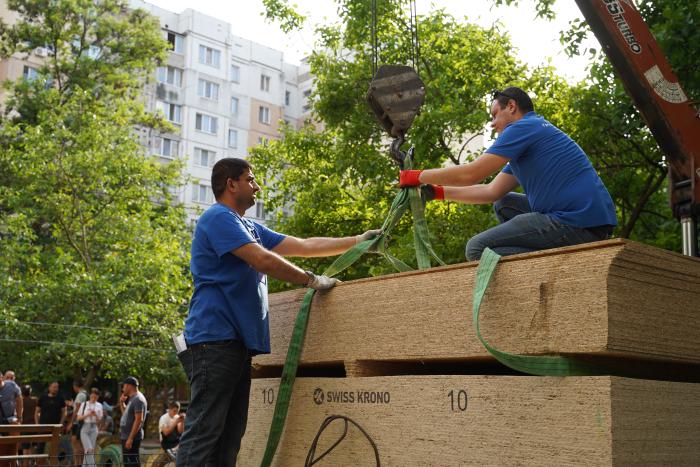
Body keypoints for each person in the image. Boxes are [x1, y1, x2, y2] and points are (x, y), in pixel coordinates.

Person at [176, 157, 381, 467]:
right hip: (213, 342)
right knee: (204, 433)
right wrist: (311, 280)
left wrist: (358, 242)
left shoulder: (249, 227)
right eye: (250, 179)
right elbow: (263, 260)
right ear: (231, 184)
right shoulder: (218, 218)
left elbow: (304, 245)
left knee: (229, 439)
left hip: (235, 344)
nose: (256, 186)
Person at [398, 86, 617, 260]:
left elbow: (472, 174)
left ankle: (545, 267)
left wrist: (416, 176)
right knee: (503, 203)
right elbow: (491, 191)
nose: (492, 124)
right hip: (586, 220)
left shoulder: (522, 128)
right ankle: (539, 260)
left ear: (511, 106)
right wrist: (437, 193)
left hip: (577, 223)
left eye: (494, 115)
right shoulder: (533, 134)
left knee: (477, 249)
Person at [119, 377, 147, 467]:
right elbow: (126, 415)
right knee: (128, 464)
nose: (123, 389)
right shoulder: (132, 398)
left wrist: (130, 438)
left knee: (132, 464)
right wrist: (121, 403)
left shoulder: (138, 399)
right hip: (126, 436)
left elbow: (139, 419)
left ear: (128, 386)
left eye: (123, 386)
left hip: (131, 437)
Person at [35, 381, 66, 454]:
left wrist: (61, 424)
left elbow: (64, 412)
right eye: (54, 387)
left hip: (55, 427)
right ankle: (39, 463)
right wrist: (37, 424)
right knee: (40, 447)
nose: (56, 389)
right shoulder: (43, 397)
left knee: (54, 447)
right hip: (43, 426)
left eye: (57, 387)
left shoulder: (60, 398)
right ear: (49, 387)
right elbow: (36, 412)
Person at [0, 372, 22, 467]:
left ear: (1, 378)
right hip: (1, 423)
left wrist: (19, 416)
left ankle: (13, 462)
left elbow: (19, 398)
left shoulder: (11, 385)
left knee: (12, 448)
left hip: (11, 421)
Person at [77, 388, 102, 467]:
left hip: (94, 428)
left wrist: (95, 415)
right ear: (90, 395)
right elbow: (78, 418)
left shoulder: (99, 405)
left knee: (88, 451)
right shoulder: (84, 404)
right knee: (89, 449)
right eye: (92, 396)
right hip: (85, 427)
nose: (94, 398)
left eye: (96, 397)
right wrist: (88, 414)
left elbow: (100, 421)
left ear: (98, 397)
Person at [67, 379, 87, 466]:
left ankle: (77, 463)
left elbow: (77, 409)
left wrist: (71, 422)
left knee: (75, 443)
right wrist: (72, 404)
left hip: (77, 423)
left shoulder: (80, 395)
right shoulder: (86, 394)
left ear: (75, 386)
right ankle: (80, 463)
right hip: (83, 421)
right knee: (80, 444)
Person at [19, 385, 38, 464]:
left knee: (25, 448)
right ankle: (32, 462)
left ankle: (25, 464)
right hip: (33, 425)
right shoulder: (35, 400)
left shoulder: (21, 401)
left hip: (24, 426)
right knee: (33, 445)